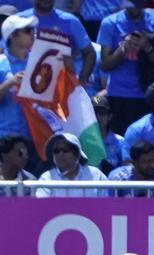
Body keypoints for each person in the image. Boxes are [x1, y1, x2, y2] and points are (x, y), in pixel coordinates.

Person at [97, 2, 154, 136]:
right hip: (119, 94)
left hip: (149, 94)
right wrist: (124, 48)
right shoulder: (110, 23)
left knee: (147, 143)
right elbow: (105, 65)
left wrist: (147, 48)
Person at [0, 13, 35, 146]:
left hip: (36, 136)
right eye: (27, 30)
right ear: (12, 36)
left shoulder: (39, 61)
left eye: (32, 30)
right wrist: (9, 83)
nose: (32, 33)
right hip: (6, 138)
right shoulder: (1, 62)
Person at [35, 132, 109, 196]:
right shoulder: (46, 178)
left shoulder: (96, 175)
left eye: (65, 149)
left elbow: (108, 204)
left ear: (78, 154)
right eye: (56, 151)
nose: (60, 154)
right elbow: (42, 208)